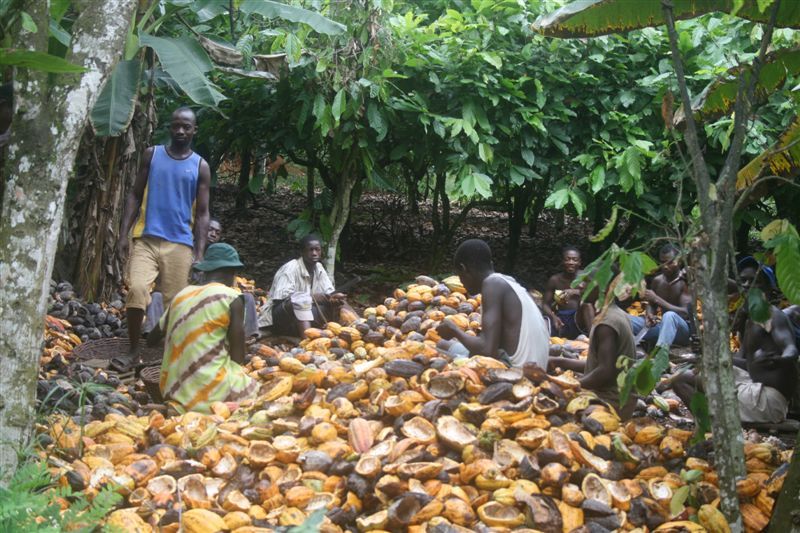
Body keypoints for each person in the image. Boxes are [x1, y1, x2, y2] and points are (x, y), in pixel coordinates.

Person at [117, 106, 211, 370]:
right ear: (170, 127)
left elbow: (203, 214)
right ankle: (133, 351)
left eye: (186, 127)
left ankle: (170, 359)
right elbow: (135, 194)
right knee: (136, 290)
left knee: (176, 306)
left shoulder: (200, 166)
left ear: (194, 131)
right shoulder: (153, 155)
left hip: (180, 243)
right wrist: (123, 233)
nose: (180, 131)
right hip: (146, 238)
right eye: (176, 125)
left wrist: (200, 253)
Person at [668, 262, 798, 425]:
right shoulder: (750, 319)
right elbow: (743, 362)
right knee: (684, 375)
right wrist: (708, 353)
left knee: (682, 380)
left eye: (754, 281)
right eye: (743, 281)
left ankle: (711, 428)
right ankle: (713, 421)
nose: (747, 286)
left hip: (767, 401)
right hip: (753, 385)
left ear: (768, 288)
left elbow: (791, 349)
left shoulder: (772, 316)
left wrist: (779, 359)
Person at [147, 243, 259, 414]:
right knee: (259, 393)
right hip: (211, 393)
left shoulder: (181, 295)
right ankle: (212, 404)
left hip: (172, 391)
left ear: (206, 271)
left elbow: (151, 339)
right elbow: (238, 356)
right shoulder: (232, 297)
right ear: (231, 273)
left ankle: (181, 406)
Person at [435, 239, 549, 369]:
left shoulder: (492, 284)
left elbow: (486, 350)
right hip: (533, 367)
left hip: (517, 371)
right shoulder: (507, 281)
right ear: (491, 264)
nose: (462, 283)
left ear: (463, 268)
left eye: (460, 276)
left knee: (438, 356)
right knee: (443, 345)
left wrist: (455, 330)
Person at [548, 275, 639, 419]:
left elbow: (605, 372)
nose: (581, 286)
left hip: (611, 402)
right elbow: (601, 364)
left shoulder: (606, 324)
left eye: (587, 282)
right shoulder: (615, 313)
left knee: (557, 411)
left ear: (604, 288)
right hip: (620, 398)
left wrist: (570, 386)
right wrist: (558, 361)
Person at [257, 234, 351, 337]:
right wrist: (312, 297)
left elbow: (328, 292)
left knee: (340, 302)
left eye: (317, 250)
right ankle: (307, 340)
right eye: (310, 250)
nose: (314, 253)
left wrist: (333, 297)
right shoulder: (290, 268)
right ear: (302, 252)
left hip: (304, 316)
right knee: (300, 301)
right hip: (280, 318)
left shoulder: (319, 267)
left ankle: (357, 328)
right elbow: (282, 298)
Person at [629, 244, 693, 352]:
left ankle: (659, 355)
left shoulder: (685, 282)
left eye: (670, 262)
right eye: (662, 262)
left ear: (679, 262)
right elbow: (651, 305)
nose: (665, 266)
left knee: (669, 316)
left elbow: (685, 313)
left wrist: (657, 299)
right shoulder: (657, 281)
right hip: (662, 328)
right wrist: (649, 314)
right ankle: (632, 350)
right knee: (625, 319)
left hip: (681, 332)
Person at [543, 245, 595, 339]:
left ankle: (593, 340)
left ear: (579, 262)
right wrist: (553, 317)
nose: (571, 262)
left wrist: (576, 292)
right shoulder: (555, 280)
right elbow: (545, 305)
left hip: (579, 318)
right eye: (568, 259)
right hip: (560, 318)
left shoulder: (585, 277)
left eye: (574, 260)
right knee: (542, 322)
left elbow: (596, 296)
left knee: (587, 306)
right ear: (562, 261)